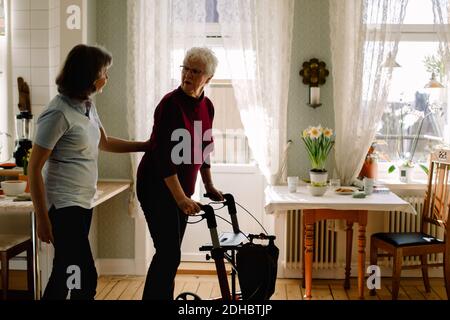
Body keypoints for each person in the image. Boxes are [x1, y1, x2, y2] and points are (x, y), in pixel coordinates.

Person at [28, 44, 149, 300]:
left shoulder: (87, 105)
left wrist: (145, 146)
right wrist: (42, 218)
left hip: (82, 202)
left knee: (64, 273)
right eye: (105, 71)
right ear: (90, 76)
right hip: (63, 205)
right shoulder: (57, 113)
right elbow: (34, 168)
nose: (107, 77)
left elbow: (104, 142)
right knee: (84, 278)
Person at [137, 47, 224, 300]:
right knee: (168, 253)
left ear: (208, 77)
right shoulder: (169, 105)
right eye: (185, 68)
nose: (187, 74)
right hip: (155, 186)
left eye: (195, 71)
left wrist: (208, 185)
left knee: (170, 254)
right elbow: (164, 159)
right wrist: (181, 199)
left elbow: (204, 147)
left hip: (180, 191)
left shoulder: (208, 106)